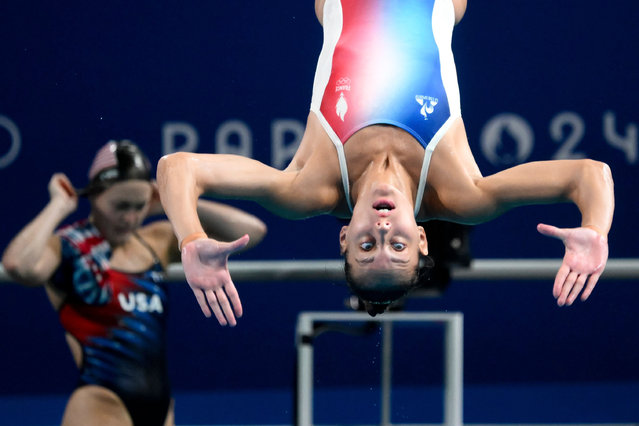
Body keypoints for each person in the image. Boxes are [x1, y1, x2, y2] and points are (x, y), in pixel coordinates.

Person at [156, 0, 614, 322]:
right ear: (421, 238)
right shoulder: (461, 192)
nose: (381, 231)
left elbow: (178, 168)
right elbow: (589, 175)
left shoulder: (307, 185)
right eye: (397, 247)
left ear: (343, 238)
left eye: (366, 247)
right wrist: (594, 228)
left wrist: (191, 238)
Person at [1, 140, 266, 425]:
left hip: (161, 408)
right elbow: (18, 265)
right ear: (94, 196)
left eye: (138, 206)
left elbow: (252, 230)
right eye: (120, 206)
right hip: (101, 405)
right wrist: (58, 206)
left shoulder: (155, 241)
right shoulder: (68, 246)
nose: (129, 218)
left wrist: (172, 200)